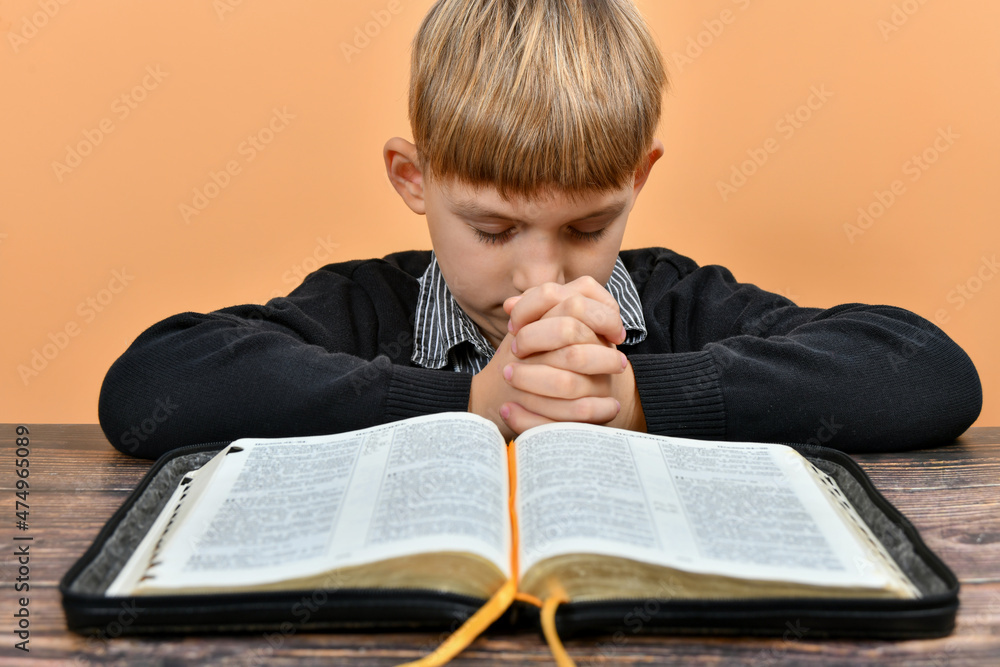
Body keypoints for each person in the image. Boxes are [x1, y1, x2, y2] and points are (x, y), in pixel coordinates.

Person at [99, 0, 981, 459]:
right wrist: (473, 404)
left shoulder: (682, 303)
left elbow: (929, 372)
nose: (538, 276)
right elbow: (146, 386)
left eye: (590, 225)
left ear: (639, 180)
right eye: (491, 228)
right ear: (415, 179)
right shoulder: (366, 307)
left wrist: (638, 399)